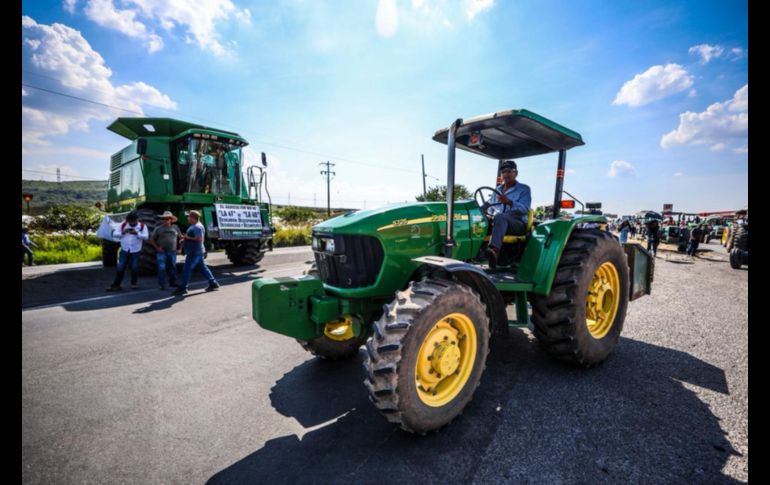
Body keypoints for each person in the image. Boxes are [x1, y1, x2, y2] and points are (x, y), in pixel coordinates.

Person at [485, 160, 532, 267]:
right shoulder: (497, 190)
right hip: (498, 222)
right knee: (480, 220)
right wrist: (484, 211)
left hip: (517, 223)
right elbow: (491, 207)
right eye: (504, 172)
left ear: (516, 173)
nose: (506, 174)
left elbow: (525, 209)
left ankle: (494, 251)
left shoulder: (524, 189)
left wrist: (510, 202)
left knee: (501, 217)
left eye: (510, 171)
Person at [173, 210, 220, 295]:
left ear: (192, 217)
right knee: (203, 268)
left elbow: (199, 238)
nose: (187, 218)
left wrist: (187, 237)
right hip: (196, 251)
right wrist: (185, 238)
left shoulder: (197, 227)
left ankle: (183, 288)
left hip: (194, 252)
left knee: (187, 269)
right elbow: (194, 237)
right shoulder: (194, 226)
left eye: (188, 216)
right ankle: (213, 283)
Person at [107, 211, 149, 291]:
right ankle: (116, 285)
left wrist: (137, 233)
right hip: (125, 249)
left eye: (133, 221)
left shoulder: (143, 226)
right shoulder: (123, 225)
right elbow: (115, 234)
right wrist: (123, 232)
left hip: (136, 250)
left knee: (134, 267)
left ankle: (134, 283)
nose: (131, 223)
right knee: (120, 267)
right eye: (130, 221)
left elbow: (146, 237)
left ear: (137, 220)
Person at [149, 211, 182, 290]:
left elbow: (181, 238)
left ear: (171, 220)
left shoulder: (176, 228)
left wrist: (180, 248)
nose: (165, 220)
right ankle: (162, 284)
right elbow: (152, 239)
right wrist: (157, 248)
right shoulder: (158, 228)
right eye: (164, 219)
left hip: (172, 251)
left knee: (172, 267)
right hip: (161, 251)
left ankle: (173, 282)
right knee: (161, 267)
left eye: (167, 219)